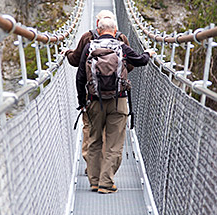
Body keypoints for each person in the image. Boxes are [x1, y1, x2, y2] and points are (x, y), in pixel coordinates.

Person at [76, 16, 154, 193]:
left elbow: (80, 76)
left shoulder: (89, 47)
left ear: (99, 30)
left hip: (94, 101)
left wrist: (82, 102)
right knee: (114, 144)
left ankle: (94, 182)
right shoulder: (121, 47)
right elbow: (140, 61)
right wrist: (148, 54)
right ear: (115, 30)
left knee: (94, 141)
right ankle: (106, 182)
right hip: (118, 101)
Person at [65, 10, 131, 175]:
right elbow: (130, 65)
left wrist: (67, 52)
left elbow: (75, 63)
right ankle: (105, 173)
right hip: (116, 96)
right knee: (112, 135)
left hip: (92, 96)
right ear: (114, 27)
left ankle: (92, 169)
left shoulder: (87, 38)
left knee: (92, 132)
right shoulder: (121, 39)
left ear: (97, 24)